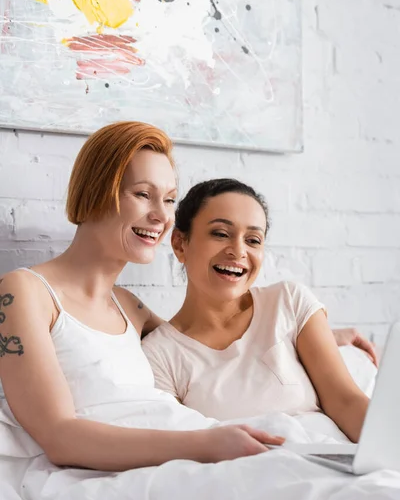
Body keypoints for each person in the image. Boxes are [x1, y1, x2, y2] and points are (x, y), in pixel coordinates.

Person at [0, 122, 287, 472]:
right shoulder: (24, 293)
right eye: (142, 195)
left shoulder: (129, 307)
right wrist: (206, 445)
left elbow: (208, 345)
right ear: (96, 191)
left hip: (176, 456)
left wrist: (300, 332)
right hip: (117, 474)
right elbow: (60, 437)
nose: (162, 216)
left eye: (168, 200)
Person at [142, 178, 376, 442]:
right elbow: (179, 448)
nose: (238, 251)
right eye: (220, 234)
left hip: (336, 465)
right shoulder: (160, 355)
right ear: (179, 244)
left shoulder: (289, 302)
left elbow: (346, 402)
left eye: (253, 240)